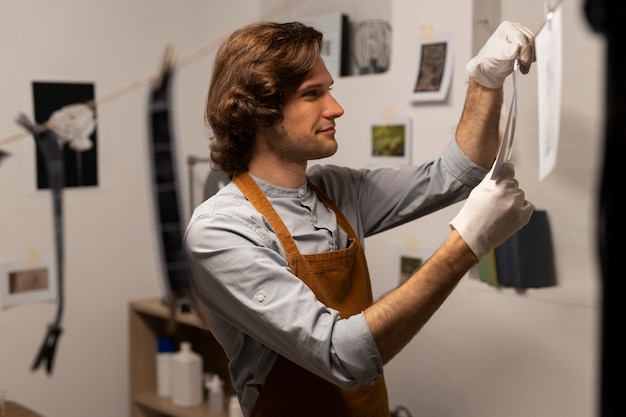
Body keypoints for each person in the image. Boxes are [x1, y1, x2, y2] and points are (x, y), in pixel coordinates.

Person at [184, 20, 535, 417]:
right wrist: (466, 244)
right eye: (312, 94)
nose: (335, 108)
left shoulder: (337, 191)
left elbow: (455, 173)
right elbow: (341, 355)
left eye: (328, 90)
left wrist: (484, 82)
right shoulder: (221, 231)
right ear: (259, 111)